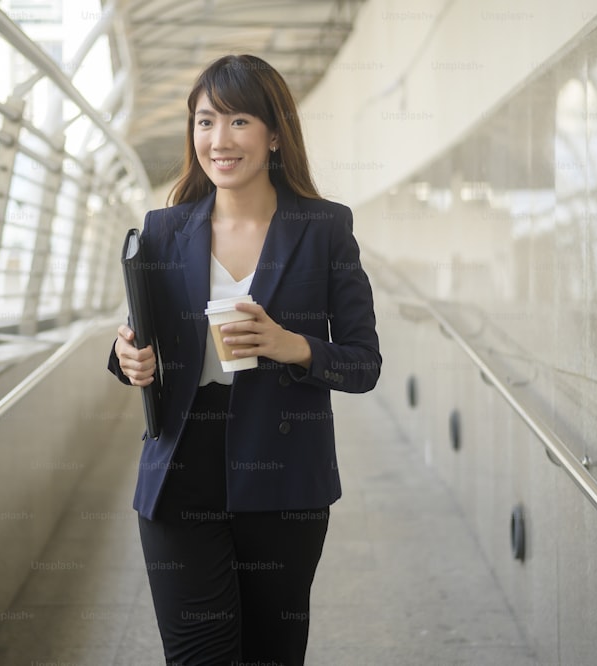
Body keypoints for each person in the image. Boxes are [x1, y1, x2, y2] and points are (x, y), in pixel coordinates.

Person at [107, 54, 381, 665]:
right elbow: (136, 338)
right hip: (179, 478)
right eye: (205, 123)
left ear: (275, 133)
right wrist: (126, 355)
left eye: (238, 122)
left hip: (285, 482)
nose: (218, 140)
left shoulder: (325, 229)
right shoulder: (161, 230)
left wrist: (294, 346)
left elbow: (364, 363)